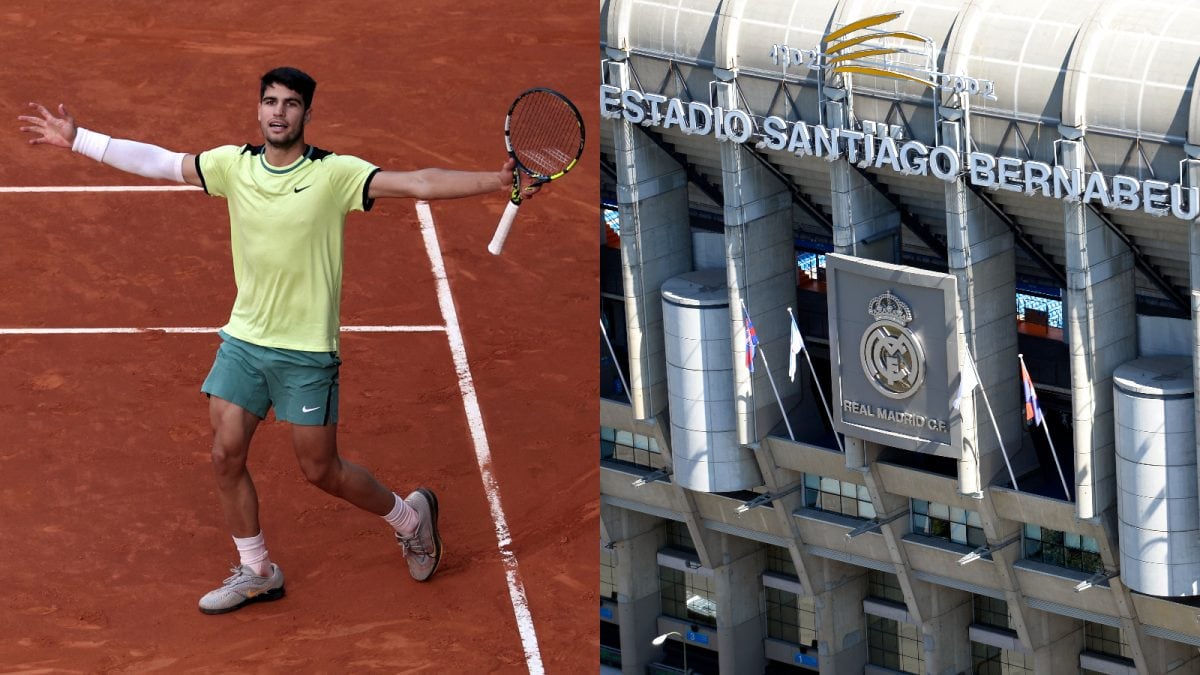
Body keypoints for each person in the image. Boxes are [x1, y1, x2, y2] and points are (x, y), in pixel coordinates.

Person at [18, 66, 538, 615]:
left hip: (306, 352)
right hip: (244, 340)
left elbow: (418, 183)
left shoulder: (336, 174)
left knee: (321, 472)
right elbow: (161, 162)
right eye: (270, 102)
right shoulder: (232, 166)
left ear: (307, 114)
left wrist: (498, 181)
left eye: (291, 104)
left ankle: (409, 518)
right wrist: (80, 140)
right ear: (259, 109)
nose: (278, 112)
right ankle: (257, 570)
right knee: (224, 455)